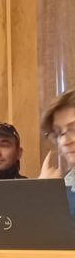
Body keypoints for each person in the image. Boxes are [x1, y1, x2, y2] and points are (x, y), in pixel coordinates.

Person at [39, 88, 75, 217]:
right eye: (59, 133)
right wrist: (44, 193)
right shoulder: (62, 184)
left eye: (73, 129)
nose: (64, 141)